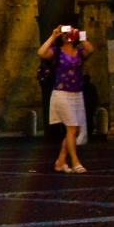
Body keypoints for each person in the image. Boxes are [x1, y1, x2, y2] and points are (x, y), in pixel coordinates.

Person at [38, 25, 95, 173]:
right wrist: (54, 35)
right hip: (61, 94)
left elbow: (91, 49)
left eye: (70, 33)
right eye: (66, 33)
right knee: (71, 128)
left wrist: (81, 35)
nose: (68, 35)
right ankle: (76, 162)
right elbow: (41, 52)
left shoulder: (79, 52)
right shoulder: (57, 52)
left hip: (76, 94)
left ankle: (61, 161)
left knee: (74, 130)